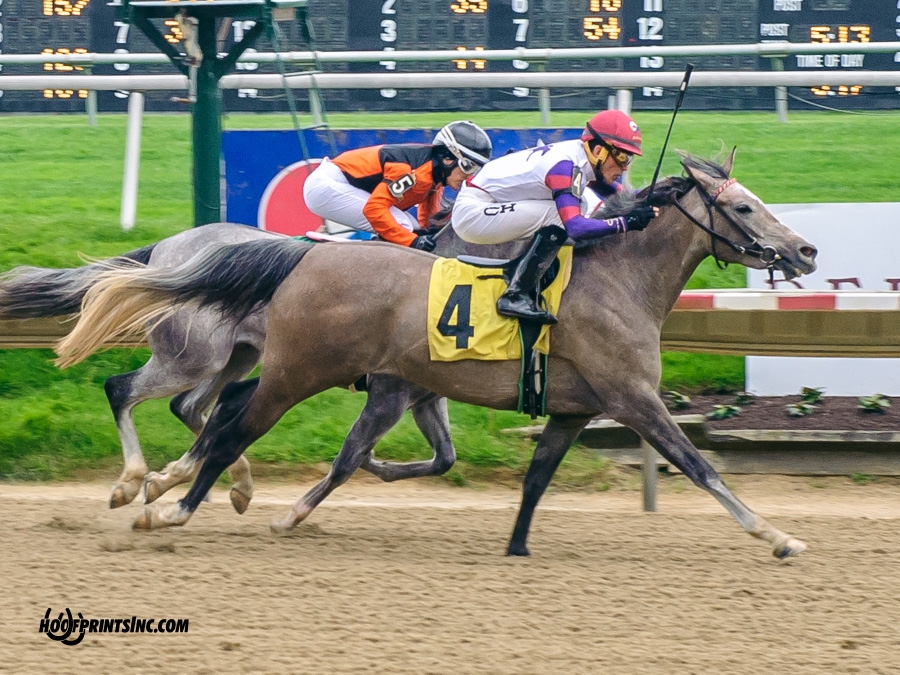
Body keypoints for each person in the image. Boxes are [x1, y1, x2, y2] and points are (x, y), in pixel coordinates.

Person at [451, 109, 659, 325]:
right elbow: (575, 228)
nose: (625, 166)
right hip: (472, 213)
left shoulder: (581, 157)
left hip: (487, 203)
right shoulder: (565, 166)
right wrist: (625, 223)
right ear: (599, 150)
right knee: (560, 214)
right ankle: (515, 294)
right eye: (622, 157)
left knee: (579, 204)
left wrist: (648, 198)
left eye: (629, 159)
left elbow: (613, 189)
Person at [303, 121, 493, 251]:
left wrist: (423, 235)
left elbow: (427, 222)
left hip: (337, 183)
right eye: (468, 166)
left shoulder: (435, 176)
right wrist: (412, 241)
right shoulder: (410, 171)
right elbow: (374, 209)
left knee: (412, 228)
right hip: (326, 186)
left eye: (475, 169)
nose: (469, 176)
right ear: (447, 158)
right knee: (404, 227)